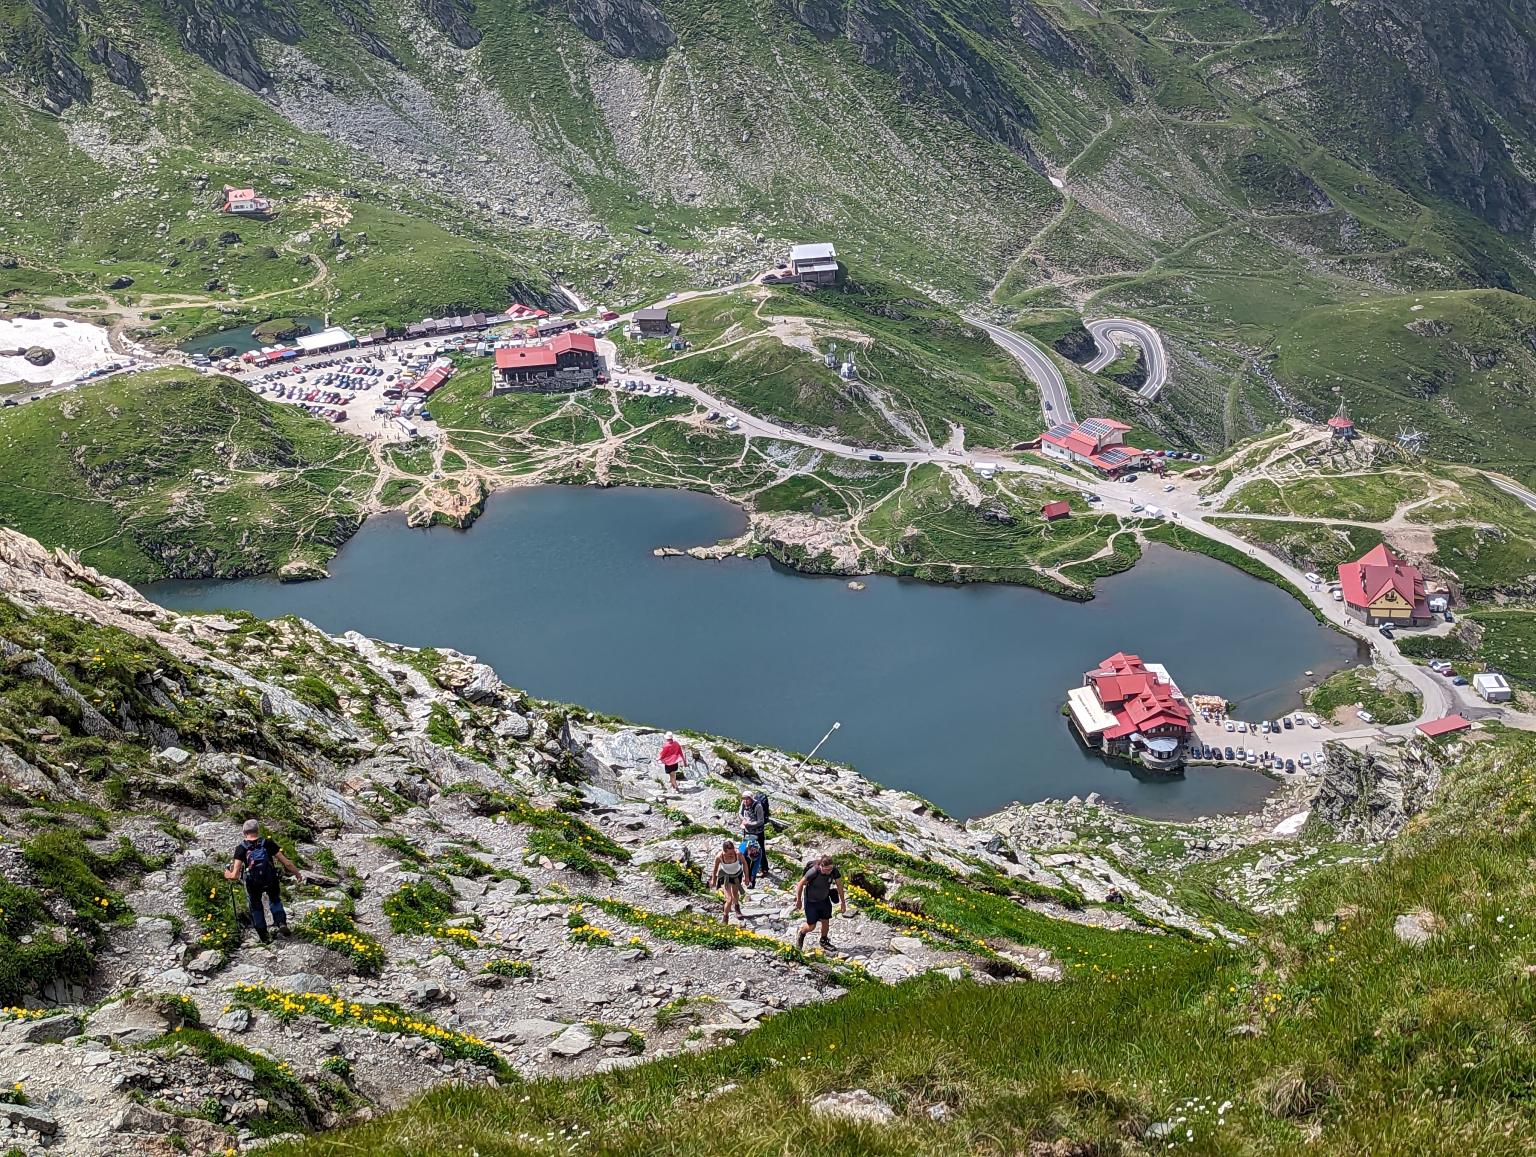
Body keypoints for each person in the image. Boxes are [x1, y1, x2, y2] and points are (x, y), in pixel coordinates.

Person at [224, 819, 303, 945]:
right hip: (270, 879)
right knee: (275, 900)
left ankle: (264, 936)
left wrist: (226, 873)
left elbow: (234, 875)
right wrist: (297, 873)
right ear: (258, 830)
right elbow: (286, 862)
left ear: (244, 832)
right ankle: (281, 923)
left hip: (253, 883)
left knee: (255, 906)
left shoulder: (241, 848)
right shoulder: (267, 843)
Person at [795, 854, 847, 951]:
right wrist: (798, 900)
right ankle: (801, 932)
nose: (828, 872)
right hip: (811, 901)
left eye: (830, 869)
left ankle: (824, 940)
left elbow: (840, 886)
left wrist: (843, 903)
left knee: (826, 920)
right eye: (826, 869)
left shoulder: (834, 871)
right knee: (811, 926)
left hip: (824, 899)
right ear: (820, 866)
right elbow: (800, 884)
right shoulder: (813, 871)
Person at [710, 839, 746, 923]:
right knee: (729, 899)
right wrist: (713, 881)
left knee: (735, 893)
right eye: (729, 853)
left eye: (732, 852)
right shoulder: (719, 857)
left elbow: (744, 863)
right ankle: (725, 917)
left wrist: (747, 877)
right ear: (724, 851)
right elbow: (715, 869)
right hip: (725, 876)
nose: (732, 854)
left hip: (737, 875)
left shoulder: (738, 854)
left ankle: (737, 908)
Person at [739, 790, 769, 874]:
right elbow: (740, 813)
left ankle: (764, 868)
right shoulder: (743, 803)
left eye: (747, 799)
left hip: (758, 832)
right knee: (743, 848)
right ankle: (741, 866)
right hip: (747, 830)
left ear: (751, 798)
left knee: (760, 849)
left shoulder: (758, 806)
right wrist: (744, 820)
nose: (745, 801)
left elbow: (760, 821)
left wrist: (750, 824)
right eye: (744, 798)